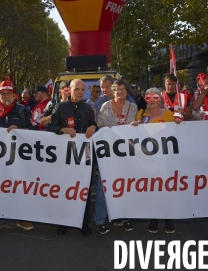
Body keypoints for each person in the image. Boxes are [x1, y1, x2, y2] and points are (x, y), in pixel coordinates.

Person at [47, 79, 97, 236]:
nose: (80, 92)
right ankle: (64, 222)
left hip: (84, 155)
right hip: (65, 155)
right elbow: (50, 126)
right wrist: (62, 129)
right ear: (70, 90)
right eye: (77, 89)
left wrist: (93, 127)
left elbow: (95, 124)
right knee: (65, 189)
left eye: (83, 90)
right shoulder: (60, 107)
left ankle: (84, 223)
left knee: (85, 190)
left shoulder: (88, 108)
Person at [0, 80, 34, 235]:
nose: (6, 96)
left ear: (14, 95)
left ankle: (21, 217)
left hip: (20, 157)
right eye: (2, 94)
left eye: (8, 93)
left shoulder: (22, 111)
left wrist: (20, 130)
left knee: (19, 187)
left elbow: (34, 130)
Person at [95, 79, 137, 234]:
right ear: (112, 91)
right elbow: (99, 125)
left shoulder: (132, 107)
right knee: (102, 187)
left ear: (127, 92)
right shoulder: (105, 107)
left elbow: (135, 129)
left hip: (125, 153)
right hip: (107, 153)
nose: (120, 92)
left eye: (123, 89)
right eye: (117, 89)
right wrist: (107, 129)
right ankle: (100, 220)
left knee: (125, 186)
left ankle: (124, 217)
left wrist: (134, 127)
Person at [134, 87, 177, 233]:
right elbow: (135, 134)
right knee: (152, 190)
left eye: (155, 98)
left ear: (160, 99)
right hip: (148, 160)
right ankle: (154, 218)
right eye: (148, 98)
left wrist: (179, 125)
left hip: (165, 159)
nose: (152, 100)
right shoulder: (141, 114)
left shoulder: (169, 114)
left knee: (166, 189)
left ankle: (168, 219)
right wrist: (134, 126)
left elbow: (175, 134)